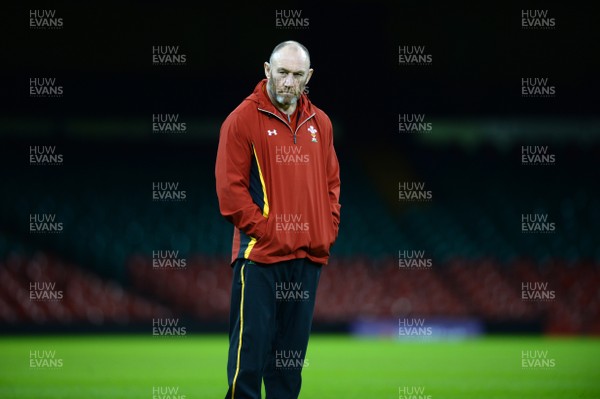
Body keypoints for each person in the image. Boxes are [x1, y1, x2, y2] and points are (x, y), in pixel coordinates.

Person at [215, 40, 341, 399]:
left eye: (297, 75)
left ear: (309, 77)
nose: (288, 82)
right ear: (267, 71)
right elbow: (230, 192)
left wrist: (326, 230)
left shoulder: (322, 123)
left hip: (306, 260)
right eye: (282, 72)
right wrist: (268, 232)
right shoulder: (241, 120)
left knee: (288, 369)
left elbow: (332, 183)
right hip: (260, 260)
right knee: (248, 365)